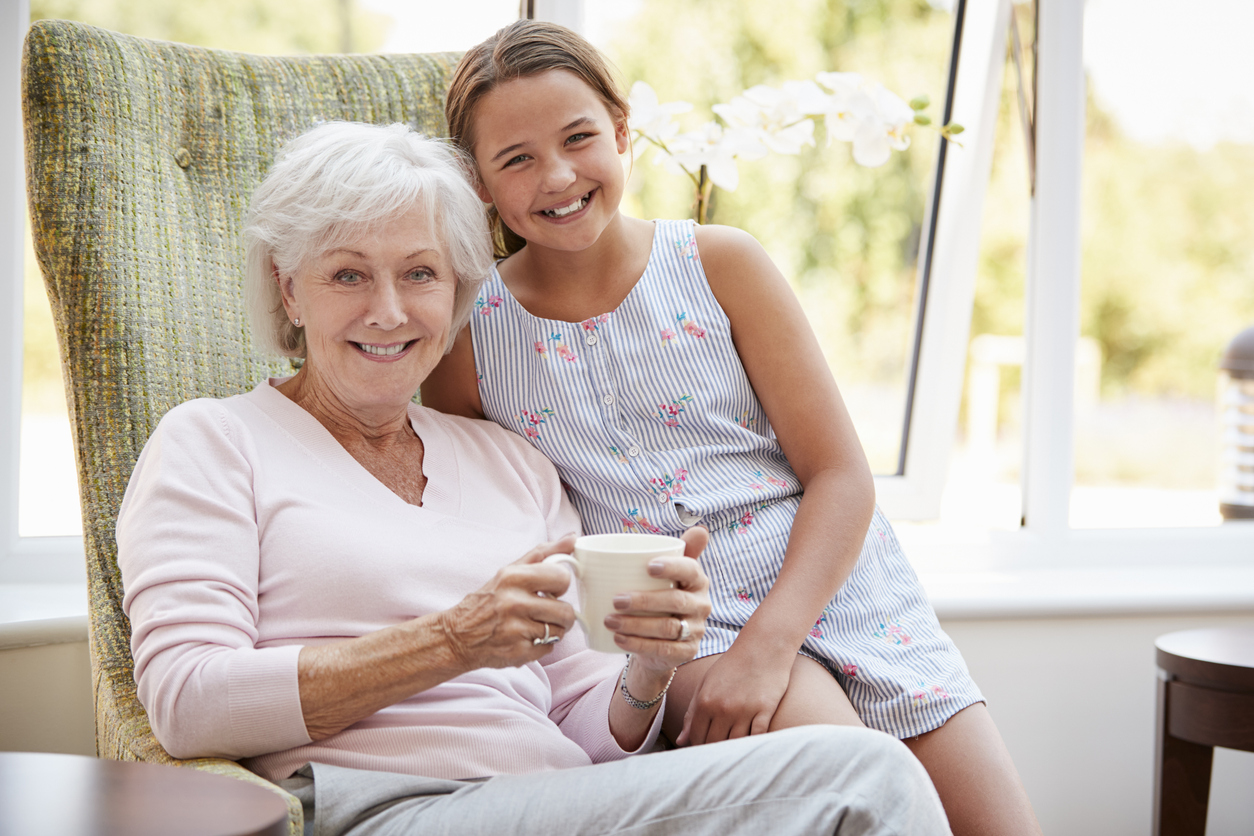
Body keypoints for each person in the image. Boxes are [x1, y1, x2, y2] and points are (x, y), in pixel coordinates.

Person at [116, 120, 952, 836]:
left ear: (457, 294)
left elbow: (591, 725)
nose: (389, 311)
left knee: (849, 777)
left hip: (563, 796)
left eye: (420, 273)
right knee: (864, 780)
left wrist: (649, 666)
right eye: (347, 275)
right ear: (287, 289)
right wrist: (451, 641)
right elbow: (188, 703)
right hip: (398, 806)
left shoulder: (507, 460)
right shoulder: (214, 442)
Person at [422, 20, 1042, 836]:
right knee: (859, 792)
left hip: (842, 590)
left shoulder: (720, 264)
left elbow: (842, 476)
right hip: (681, 623)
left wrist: (772, 642)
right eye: (518, 159)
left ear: (620, 129)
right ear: (479, 182)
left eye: (579, 138)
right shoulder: (468, 338)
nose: (560, 175)